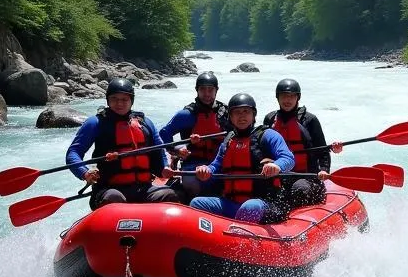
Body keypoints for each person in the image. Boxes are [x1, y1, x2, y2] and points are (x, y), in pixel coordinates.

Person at [66, 78, 178, 208]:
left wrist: (164, 166)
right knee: (114, 198)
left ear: (131, 101)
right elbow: (73, 153)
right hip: (110, 189)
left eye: (124, 99)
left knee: (169, 195)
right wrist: (84, 172)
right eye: (114, 99)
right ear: (108, 100)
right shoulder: (96, 123)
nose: (119, 103)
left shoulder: (145, 123)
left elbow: (160, 149)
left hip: (144, 188)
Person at [186, 92, 294, 224]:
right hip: (232, 203)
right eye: (237, 112)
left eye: (246, 112)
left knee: (250, 207)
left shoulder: (268, 135)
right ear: (230, 117)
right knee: (197, 203)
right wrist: (206, 170)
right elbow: (215, 166)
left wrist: (277, 166)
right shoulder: (228, 141)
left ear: (253, 115)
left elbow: (288, 158)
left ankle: (237, 237)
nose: (242, 116)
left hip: (264, 204)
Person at [262, 78, 343, 208]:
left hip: (307, 176)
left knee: (300, 188)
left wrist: (324, 170)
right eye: (283, 96)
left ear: (297, 98)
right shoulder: (270, 119)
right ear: (277, 98)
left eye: (291, 96)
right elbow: (262, 148)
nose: (287, 100)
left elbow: (322, 149)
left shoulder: (310, 120)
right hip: (279, 175)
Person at [160, 71, 231, 201]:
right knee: (190, 181)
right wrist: (176, 151)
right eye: (203, 89)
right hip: (193, 164)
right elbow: (164, 134)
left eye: (210, 90)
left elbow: (240, 134)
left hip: (219, 164)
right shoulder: (187, 115)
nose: (207, 94)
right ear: (197, 90)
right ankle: (192, 201)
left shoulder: (226, 114)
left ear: (216, 91)